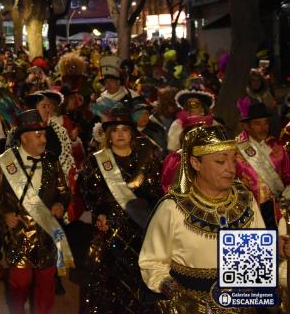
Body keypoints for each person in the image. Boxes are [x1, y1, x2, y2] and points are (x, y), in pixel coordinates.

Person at [139, 125, 267, 313]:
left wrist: (276, 253)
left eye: (234, 160)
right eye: (220, 161)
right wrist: (178, 295)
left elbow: (255, 265)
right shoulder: (172, 208)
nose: (231, 169)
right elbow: (152, 263)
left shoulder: (245, 200)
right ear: (195, 163)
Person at [0, 109, 73, 314]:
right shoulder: (5, 162)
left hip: (47, 234)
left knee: (46, 285)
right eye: (39, 135)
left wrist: (61, 203)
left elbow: (64, 192)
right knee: (19, 284)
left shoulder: (52, 161)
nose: (44, 140)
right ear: (24, 138)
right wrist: (3, 216)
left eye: (44, 135)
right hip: (18, 237)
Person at [75, 107, 162, 313]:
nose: (121, 134)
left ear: (132, 133)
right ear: (108, 135)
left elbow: (155, 192)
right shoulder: (97, 160)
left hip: (140, 230)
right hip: (109, 231)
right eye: (115, 130)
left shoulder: (147, 159)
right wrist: (100, 211)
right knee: (106, 284)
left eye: (125, 129)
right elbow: (88, 192)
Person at [234, 99, 290, 230]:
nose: (263, 128)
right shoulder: (236, 151)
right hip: (249, 212)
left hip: (277, 213)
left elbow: (288, 176)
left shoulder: (278, 148)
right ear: (246, 126)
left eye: (266, 123)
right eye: (257, 124)